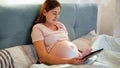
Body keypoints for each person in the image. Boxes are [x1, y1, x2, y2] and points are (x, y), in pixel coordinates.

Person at [31, 0, 92, 65]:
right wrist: (69, 61)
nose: (57, 17)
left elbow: (69, 44)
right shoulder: (38, 28)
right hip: (60, 62)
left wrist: (80, 54)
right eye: (54, 13)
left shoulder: (61, 26)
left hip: (73, 60)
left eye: (58, 13)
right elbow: (43, 57)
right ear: (45, 12)